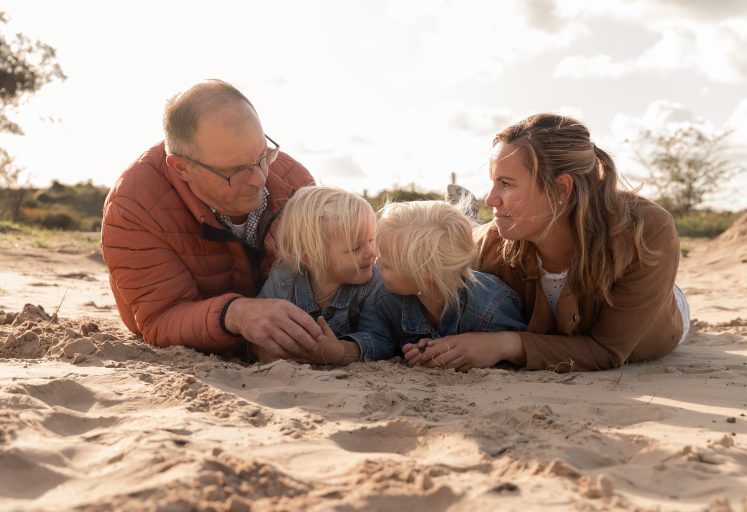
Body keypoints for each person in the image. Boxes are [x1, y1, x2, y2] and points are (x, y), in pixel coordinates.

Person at [413, 113, 691, 372]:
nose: (491, 199)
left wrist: (506, 345)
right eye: (493, 183)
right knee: (468, 237)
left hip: (660, 315)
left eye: (506, 184)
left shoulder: (647, 231)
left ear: (561, 189)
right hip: (495, 242)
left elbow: (607, 349)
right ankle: (464, 217)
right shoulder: (495, 240)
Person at [101, 79, 324, 356]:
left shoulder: (293, 180)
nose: (260, 178)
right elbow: (160, 319)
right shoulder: (133, 207)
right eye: (236, 171)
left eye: (263, 155)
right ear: (182, 168)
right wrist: (235, 314)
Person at [347, 200, 527, 368]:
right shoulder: (386, 296)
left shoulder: (491, 308)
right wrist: (414, 353)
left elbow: (516, 353)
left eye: (387, 265)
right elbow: (378, 338)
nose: (377, 264)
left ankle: (472, 217)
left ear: (425, 277)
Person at [255, 186, 381, 364]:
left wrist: (341, 351)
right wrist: (264, 348)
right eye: (355, 248)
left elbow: (380, 338)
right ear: (311, 256)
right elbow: (259, 325)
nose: (371, 253)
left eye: (371, 239)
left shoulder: (373, 283)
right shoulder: (283, 279)